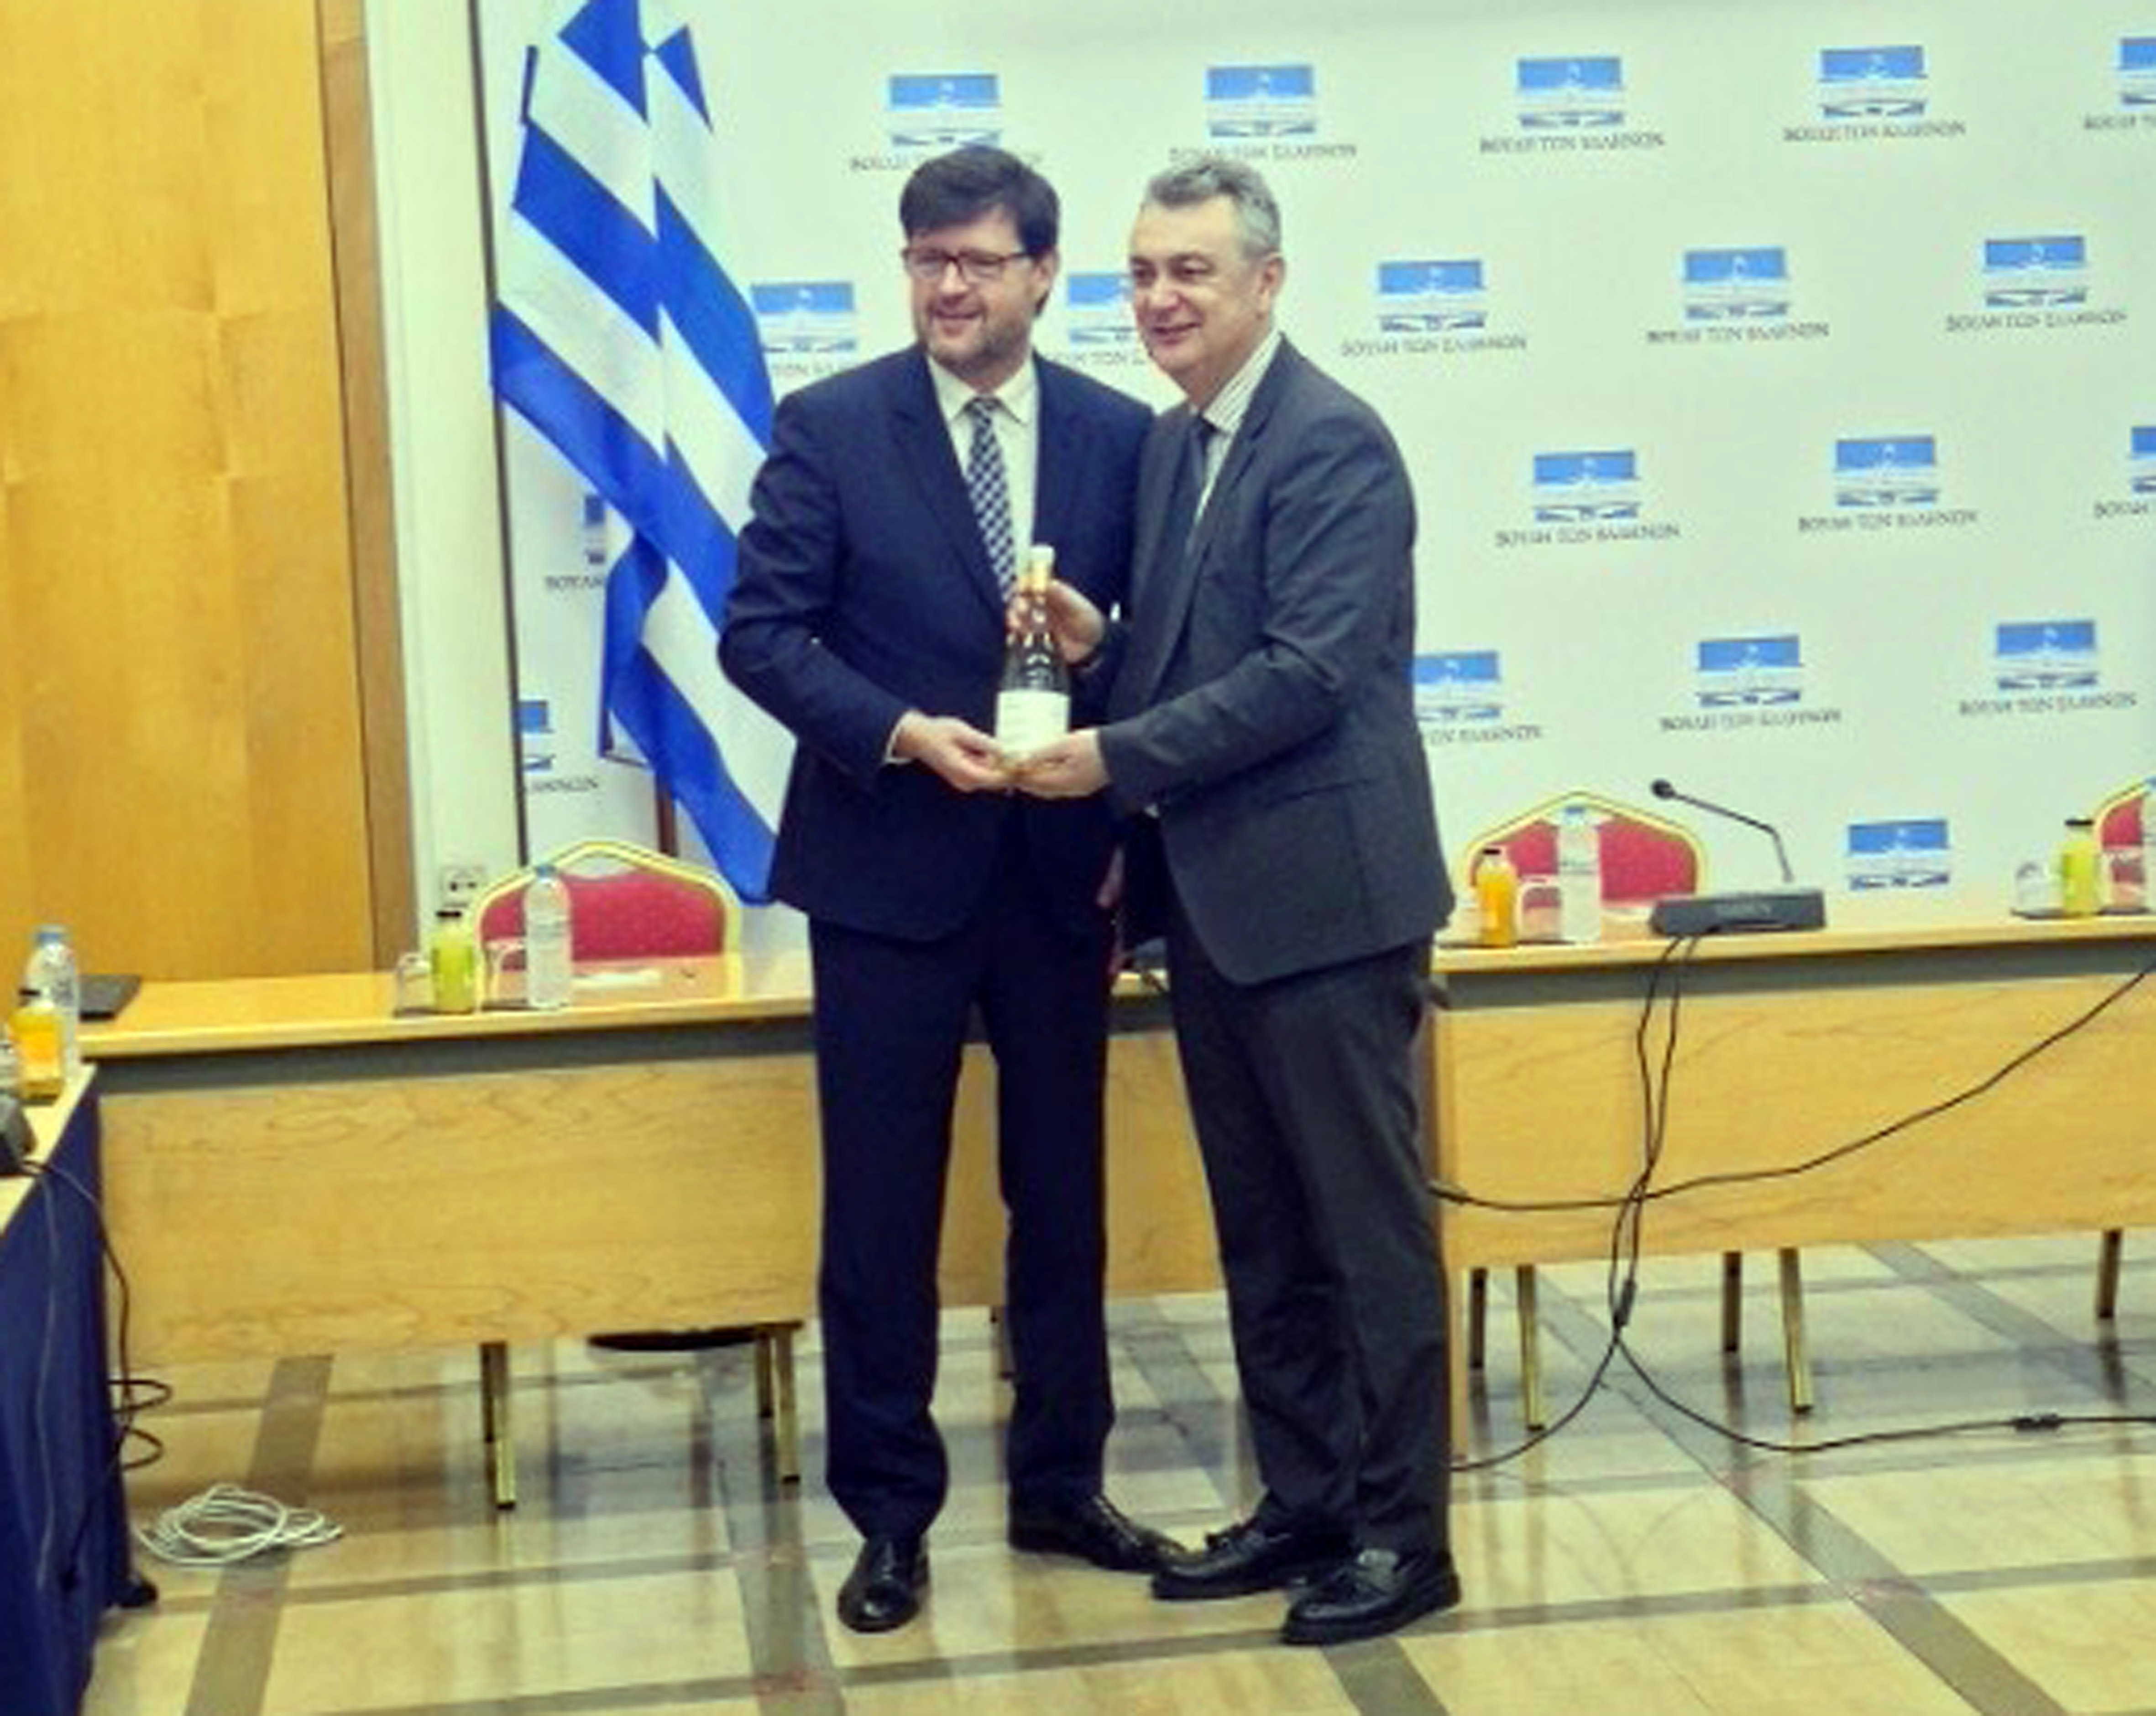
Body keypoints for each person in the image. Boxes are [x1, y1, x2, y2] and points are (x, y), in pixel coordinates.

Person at [718, 146, 1179, 1636]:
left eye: (978, 262)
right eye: (926, 260)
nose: (948, 287)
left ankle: (1062, 1484)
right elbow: (759, 635)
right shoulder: (831, 426)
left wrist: (1101, 656)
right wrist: (898, 731)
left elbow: (1159, 656)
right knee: (878, 1214)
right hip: (884, 872)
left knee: (1061, 1200)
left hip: (1057, 875)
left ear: (1042, 274)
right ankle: (889, 1518)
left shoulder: (1120, 435)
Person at [1013, 156, 1458, 1647]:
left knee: (1363, 1238)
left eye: (1190, 271)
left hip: (1327, 908)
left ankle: (1402, 1538)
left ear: (1266, 283)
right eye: (1141, 272)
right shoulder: (1172, 444)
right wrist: (1101, 644)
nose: (1158, 299)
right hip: (1211, 908)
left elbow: (1306, 673)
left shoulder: (1333, 442)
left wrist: (1111, 758)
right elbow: (1195, 646)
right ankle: (1305, 1501)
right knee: (1264, 1238)